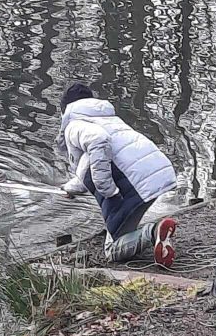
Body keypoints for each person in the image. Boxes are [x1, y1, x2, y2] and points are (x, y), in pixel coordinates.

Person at [56, 83, 178, 267]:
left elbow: (98, 141)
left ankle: (153, 233)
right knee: (122, 230)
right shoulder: (107, 119)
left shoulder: (74, 125)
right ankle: (156, 237)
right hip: (155, 175)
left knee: (112, 250)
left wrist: (107, 190)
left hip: (134, 186)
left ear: (64, 110)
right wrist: (69, 188)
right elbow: (91, 164)